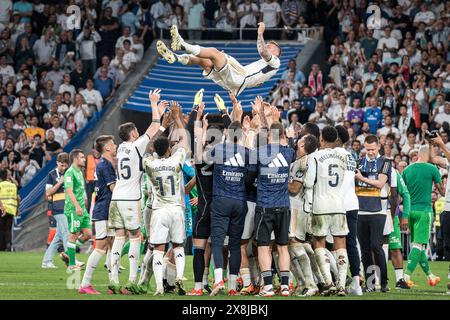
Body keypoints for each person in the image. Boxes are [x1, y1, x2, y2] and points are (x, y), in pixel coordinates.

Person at [108, 89, 163, 295]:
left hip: (116, 198)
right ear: (132, 134)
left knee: (118, 238)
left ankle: (113, 281)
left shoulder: (121, 148)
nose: (139, 132)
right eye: (136, 131)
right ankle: (131, 280)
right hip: (131, 199)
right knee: (135, 238)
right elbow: (154, 126)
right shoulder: (135, 146)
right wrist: (154, 104)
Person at [156, 22, 281, 97]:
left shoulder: (275, 62)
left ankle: (182, 44)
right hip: (233, 84)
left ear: (276, 52)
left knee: (213, 52)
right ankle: (175, 57)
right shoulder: (264, 66)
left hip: (239, 77)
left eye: (271, 46)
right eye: (268, 44)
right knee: (203, 61)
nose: (267, 45)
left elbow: (263, 51)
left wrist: (260, 34)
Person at [143, 102, 189, 296]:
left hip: (159, 210)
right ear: (169, 150)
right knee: (178, 246)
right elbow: (184, 141)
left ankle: (160, 287)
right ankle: (179, 276)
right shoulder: (175, 160)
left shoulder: (150, 163)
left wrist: (163, 125)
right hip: (177, 209)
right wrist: (178, 121)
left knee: (159, 249)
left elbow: (147, 148)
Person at [206, 101, 252, 296]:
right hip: (240, 201)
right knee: (234, 244)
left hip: (221, 200)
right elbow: (251, 175)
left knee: (217, 241)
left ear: (226, 134)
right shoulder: (247, 153)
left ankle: (218, 281)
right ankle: (233, 286)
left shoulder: (218, 149)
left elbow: (205, 161)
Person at [304, 126, 349, 296]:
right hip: (338, 205)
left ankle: (328, 283)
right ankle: (342, 285)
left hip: (320, 205)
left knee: (319, 243)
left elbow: (308, 182)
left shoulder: (314, 157)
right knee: (340, 244)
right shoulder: (342, 156)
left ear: (321, 139)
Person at [254, 120, 295, 297]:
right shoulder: (289, 152)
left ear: (269, 135)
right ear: (284, 135)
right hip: (284, 205)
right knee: (283, 247)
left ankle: (269, 286)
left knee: (263, 247)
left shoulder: (259, 153)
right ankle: (285, 286)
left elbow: (251, 175)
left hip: (265, 205)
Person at [79, 135, 117, 294]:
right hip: (104, 210)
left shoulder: (105, 164)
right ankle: (85, 284)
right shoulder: (105, 165)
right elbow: (113, 189)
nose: (115, 146)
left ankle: (113, 284)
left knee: (112, 245)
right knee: (101, 247)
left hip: (106, 209)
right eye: (113, 144)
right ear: (107, 148)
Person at [402, 144, 444, 287]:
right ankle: (405, 278)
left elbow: (403, 193)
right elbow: (443, 192)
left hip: (410, 211)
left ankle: (430, 276)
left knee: (416, 246)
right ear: (427, 154)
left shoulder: (407, 170)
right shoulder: (432, 169)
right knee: (419, 245)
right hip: (424, 211)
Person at [355, 134, 391, 293]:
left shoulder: (385, 162)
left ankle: (384, 282)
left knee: (376, 246)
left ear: (378, 147)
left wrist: (361, 178)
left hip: (378, 210)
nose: (369, 152)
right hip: (360, 210)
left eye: (372, 149)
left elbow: (380, 183)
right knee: (364, 249)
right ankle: (370, 283)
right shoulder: (358, 162)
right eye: (367, 149)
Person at [287, 134, 320, 297]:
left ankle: (310, 283)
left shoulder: (302, 163)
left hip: (297, 207)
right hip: (298, 207)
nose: (295, 146)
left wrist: (275, 180)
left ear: (303, 147)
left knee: (294, 244)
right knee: (295, 245)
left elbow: (294, 189)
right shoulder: (304, 161)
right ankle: (310, 282)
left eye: (299, 144)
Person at [334, 125, 362, 296]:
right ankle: (356, 284)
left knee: (332, 243)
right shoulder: (351, 156)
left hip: (337, 204)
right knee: (351, 243)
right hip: (352, 203)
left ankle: (339, 281)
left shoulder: (334, 154)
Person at [64, 149, 91, 270]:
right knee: (73, 235)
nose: (84, 159)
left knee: (88, 234)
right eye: (82, 157)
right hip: (73, 209)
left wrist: (84, 204)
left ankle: (68, 253)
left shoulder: (80, 172)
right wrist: (77, 206)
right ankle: (71, 264)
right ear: (75, 159)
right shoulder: (69, 172)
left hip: (82, 208)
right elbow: (69, 191)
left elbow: (80, 190)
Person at [41, 153, 69, 268]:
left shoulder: (69, 173)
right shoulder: (51, 175)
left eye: (65, 165)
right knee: (66, 232)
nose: (63, 167)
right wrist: (59, 183)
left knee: (58, 237)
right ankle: (71, 260)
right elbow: (48, 193)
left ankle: (46, 261)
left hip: (67, 208)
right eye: (61, 165)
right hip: (57, 207)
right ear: (57, 163)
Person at [0, 169, 19, 251]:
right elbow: (18, 198)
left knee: (1, 229)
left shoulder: (0, 185)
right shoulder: (13, 185)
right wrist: (17, 209)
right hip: (11, 209)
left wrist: (2, 208)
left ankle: (1, 247)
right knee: (8, 229)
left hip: (2, 209)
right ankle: (8, 246)